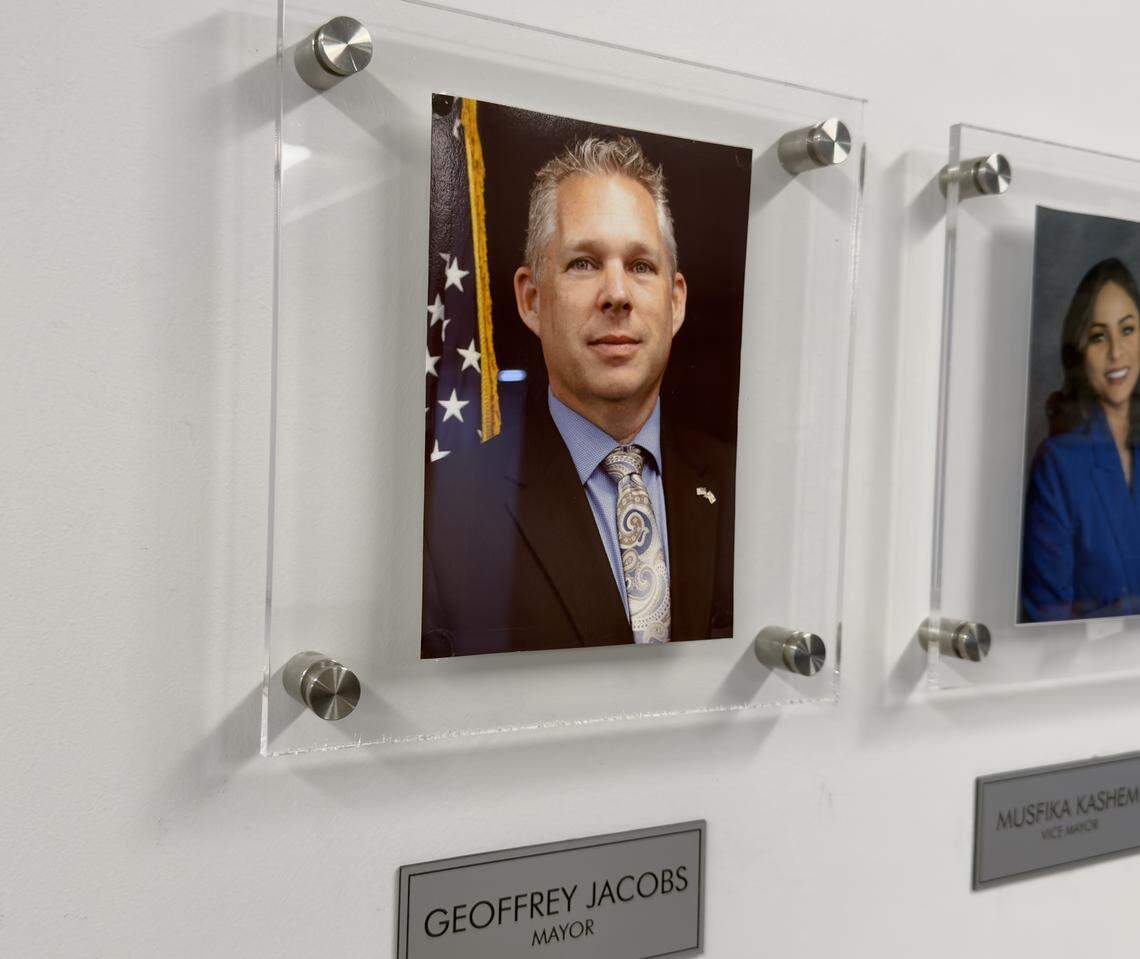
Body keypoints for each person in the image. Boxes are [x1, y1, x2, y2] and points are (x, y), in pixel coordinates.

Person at [422, 136, 735, 657]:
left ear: (674, 302)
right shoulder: (444, 513)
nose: (616, 294)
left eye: (641, 266)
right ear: (532, 298)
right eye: (584, 263)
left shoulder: (740, 483)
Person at [1021, 257, 1140, 622]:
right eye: (1098, 336)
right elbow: (1046, 621)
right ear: (1079, 352)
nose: (1116, 353)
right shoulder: (1058, 465)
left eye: (1128, 330)